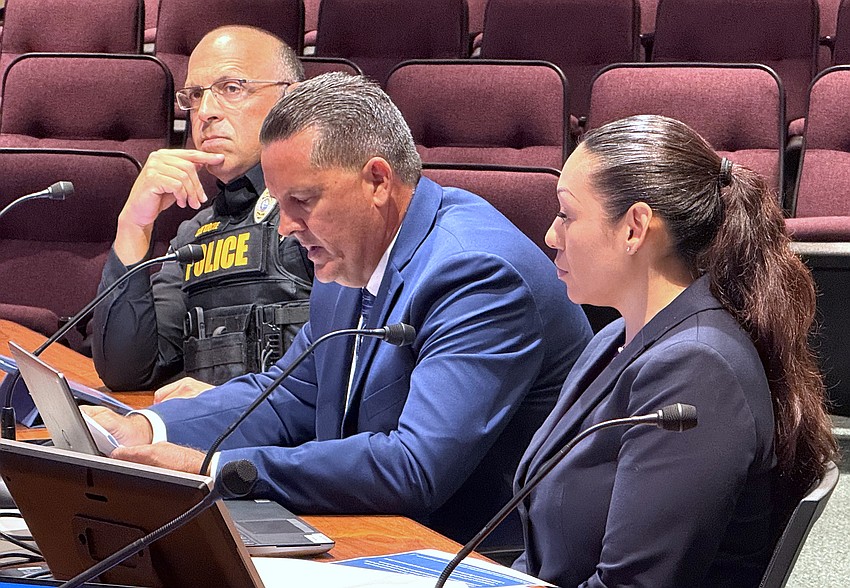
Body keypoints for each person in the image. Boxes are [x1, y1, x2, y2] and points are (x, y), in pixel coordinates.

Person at [85, 73, 593, 544]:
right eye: (280, 203)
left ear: (377, 181)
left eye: (302, 201)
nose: (286, 227)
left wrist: (211, 468)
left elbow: (413, 467)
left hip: (472, 555)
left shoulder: (476, 274)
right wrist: (148, 427)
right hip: (374, 532)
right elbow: (290, 396)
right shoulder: (349, 255)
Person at [512, 114, 837, 587]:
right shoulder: (613, 338)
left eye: (567, 214)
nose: (550, 235)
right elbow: (542, 549)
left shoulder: (697, 369)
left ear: (635, 228)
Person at [91, 26, 313, 391]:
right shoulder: (193, 236)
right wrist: (133, 225)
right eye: (195, 95)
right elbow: (127, 372)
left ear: (291, 100)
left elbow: (349, 366)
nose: (205, 112)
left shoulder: (318, 211)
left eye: (232, 88)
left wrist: (223, 403)